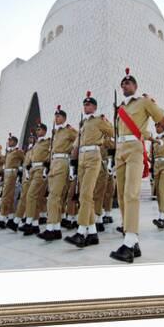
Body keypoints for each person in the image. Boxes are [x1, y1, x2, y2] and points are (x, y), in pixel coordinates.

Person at [110, 68, 164, 263]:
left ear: (135, 86)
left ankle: (130, 240)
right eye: (122, 84)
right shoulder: (120, 109)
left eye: (128, 83)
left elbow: (160, 118)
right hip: (120, 151)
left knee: (131, 193)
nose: (124, 86)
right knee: (120, 195)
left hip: (134, 148)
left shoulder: (144, 102)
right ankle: (132, 240)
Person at [64, 91, 114, 248]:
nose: (86, 107)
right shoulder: (83, 124)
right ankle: (92, 233)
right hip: (82, 158)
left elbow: (113, 132)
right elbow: (76, 145)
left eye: (89, 104)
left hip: (93, 156)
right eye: (84, 104)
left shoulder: (99, 120)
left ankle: (81, 232)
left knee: (86, 194)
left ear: (95, 107)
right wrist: (73, 165)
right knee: (84, 196)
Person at [38, 106, 77, 241]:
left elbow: (79, 140)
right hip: (54, 163)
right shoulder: (56, 133)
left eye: (59, 116)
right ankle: (56, 228)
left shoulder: (69, 130)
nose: (56, 118)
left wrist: (73, 157)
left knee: (54, 196)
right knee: (55, 197)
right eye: (55, 116)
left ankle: (51, 228)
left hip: (63, 162)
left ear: (64, 118)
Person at [22, 122, 51, 236]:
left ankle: (29, 222)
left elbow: (51, 153)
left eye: (39, 130)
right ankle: (34, 224)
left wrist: (46, 167)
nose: (37, 132)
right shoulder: (36, 143)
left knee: (31, 195)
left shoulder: (48, 141)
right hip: (33, 169)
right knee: (36, 197)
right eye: (37, 130)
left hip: (40, 169)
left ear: (44, 130)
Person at [0, 134, 25, 229]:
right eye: (8, 141)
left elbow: (25, 159)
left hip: (12, 173)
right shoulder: (9, 152)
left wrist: (20, 168)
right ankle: (10, 219)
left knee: (5, 196)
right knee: (9, 197)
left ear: (15, 142)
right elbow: (3, 161)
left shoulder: (18, 151)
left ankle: (2, 219)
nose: (9, 142)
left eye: (10, 141)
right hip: (6, 174)